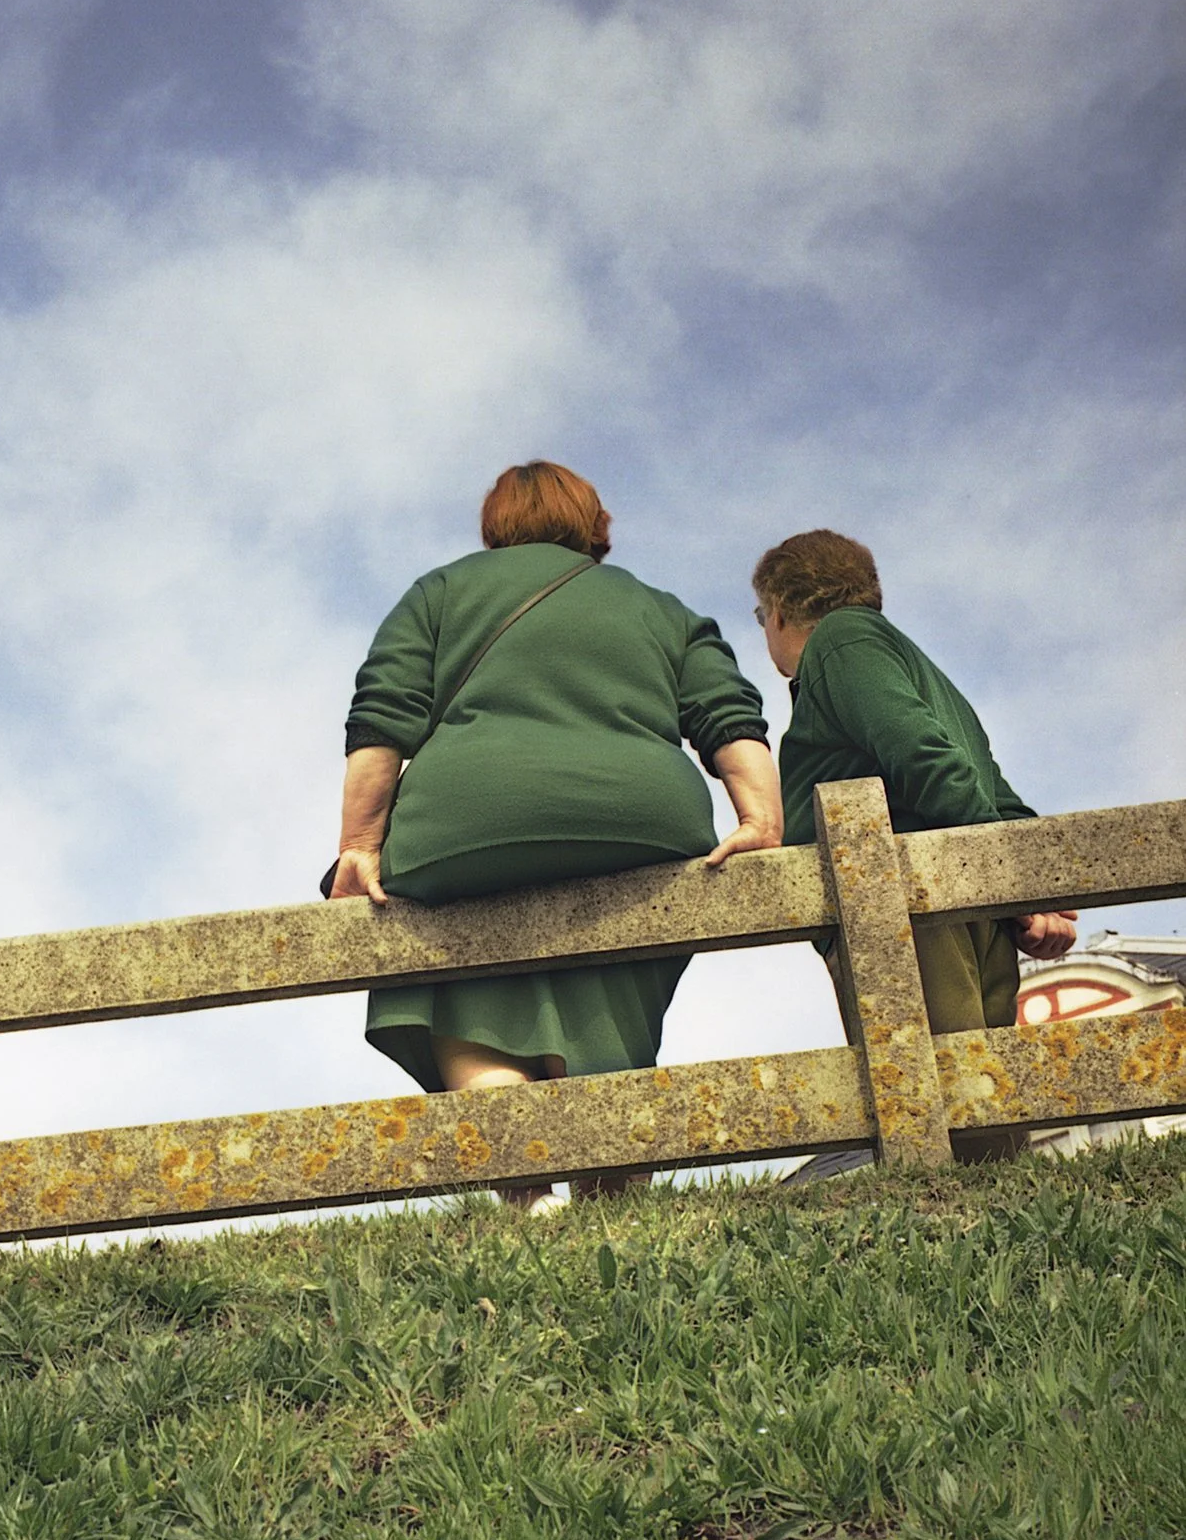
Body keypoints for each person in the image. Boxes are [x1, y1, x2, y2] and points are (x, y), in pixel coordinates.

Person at [330, 461, 784, 1206]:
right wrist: (760, 819)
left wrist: (360, 844)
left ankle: (528, 1198)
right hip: (638, 817)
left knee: (452, 973)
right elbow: (728, 716)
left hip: (468, 816)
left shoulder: (440, 592)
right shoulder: (660, 608)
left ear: (494, 524)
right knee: (613, 969)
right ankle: (612, 1182)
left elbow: (382, 720)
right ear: (594, 524)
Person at [751, 529, 1075, 1163]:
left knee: (938, 1110)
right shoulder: (923, 671)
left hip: (910, 909)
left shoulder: (840, 643)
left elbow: (921, 757)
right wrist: (1028, 890)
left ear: (782, 611)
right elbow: (994, 789)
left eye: (762, 617)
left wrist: (1016, 893)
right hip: (970, 903)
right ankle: (1004, 1247)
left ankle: (966, 1243)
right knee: (987, 1105)